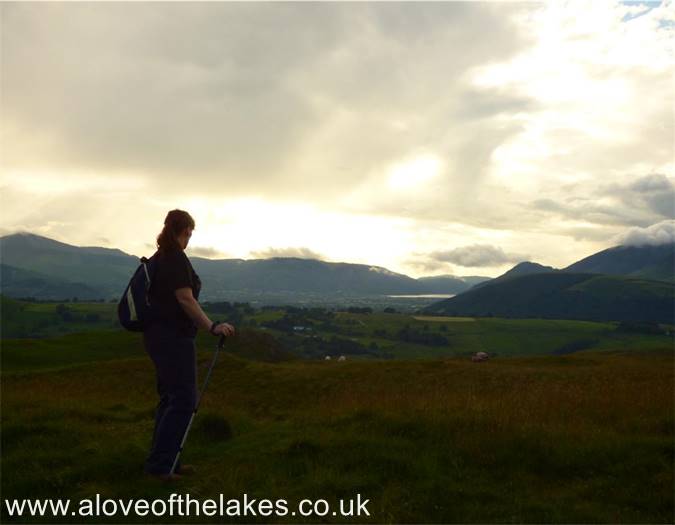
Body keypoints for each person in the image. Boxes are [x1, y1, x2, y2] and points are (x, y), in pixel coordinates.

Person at [143, 209, 235, 481]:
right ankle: (161, 467)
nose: (190, 240)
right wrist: (211, 326)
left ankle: (165, 461)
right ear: (184, 231)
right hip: (173, 338)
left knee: (170, 399)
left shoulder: (159, 258)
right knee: (184, 399)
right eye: (189, 234)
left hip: (157, 337)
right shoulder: (175, 259)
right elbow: (185, 299)